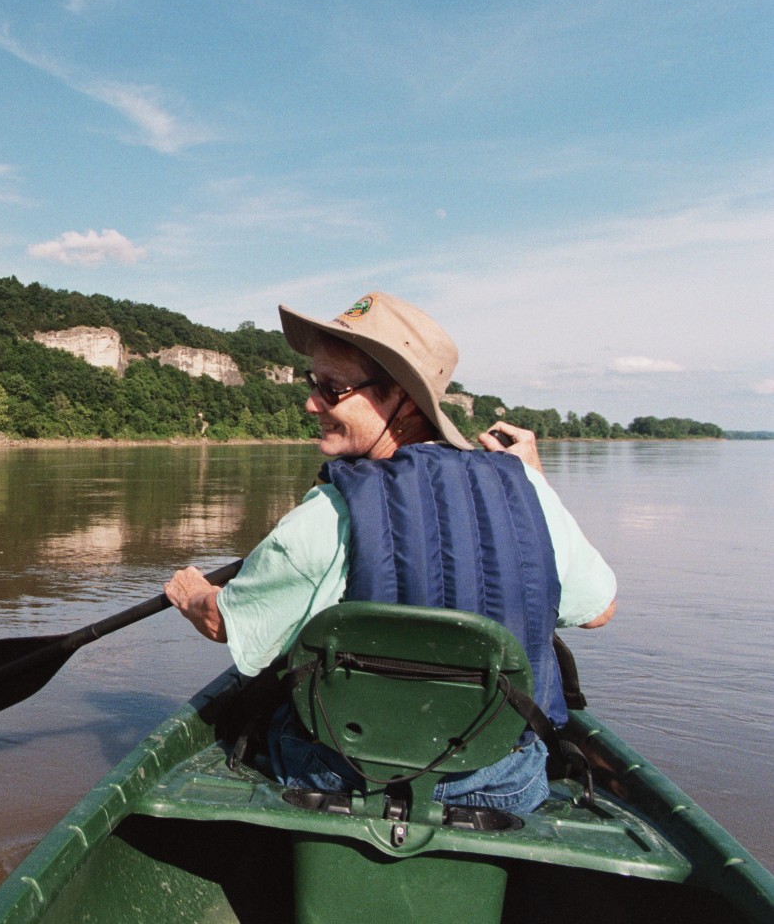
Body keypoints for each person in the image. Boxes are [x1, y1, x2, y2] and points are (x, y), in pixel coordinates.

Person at [165, 291, 617, 814]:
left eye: (334, 389)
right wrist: (533, 486)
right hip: (503, 782)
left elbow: (231, 626)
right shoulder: (528, 489)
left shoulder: (327, 515)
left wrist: (193, 592)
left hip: (341, 777)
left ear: (401, 399)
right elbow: (599, 611)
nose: (312, 402)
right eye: (314, 383)